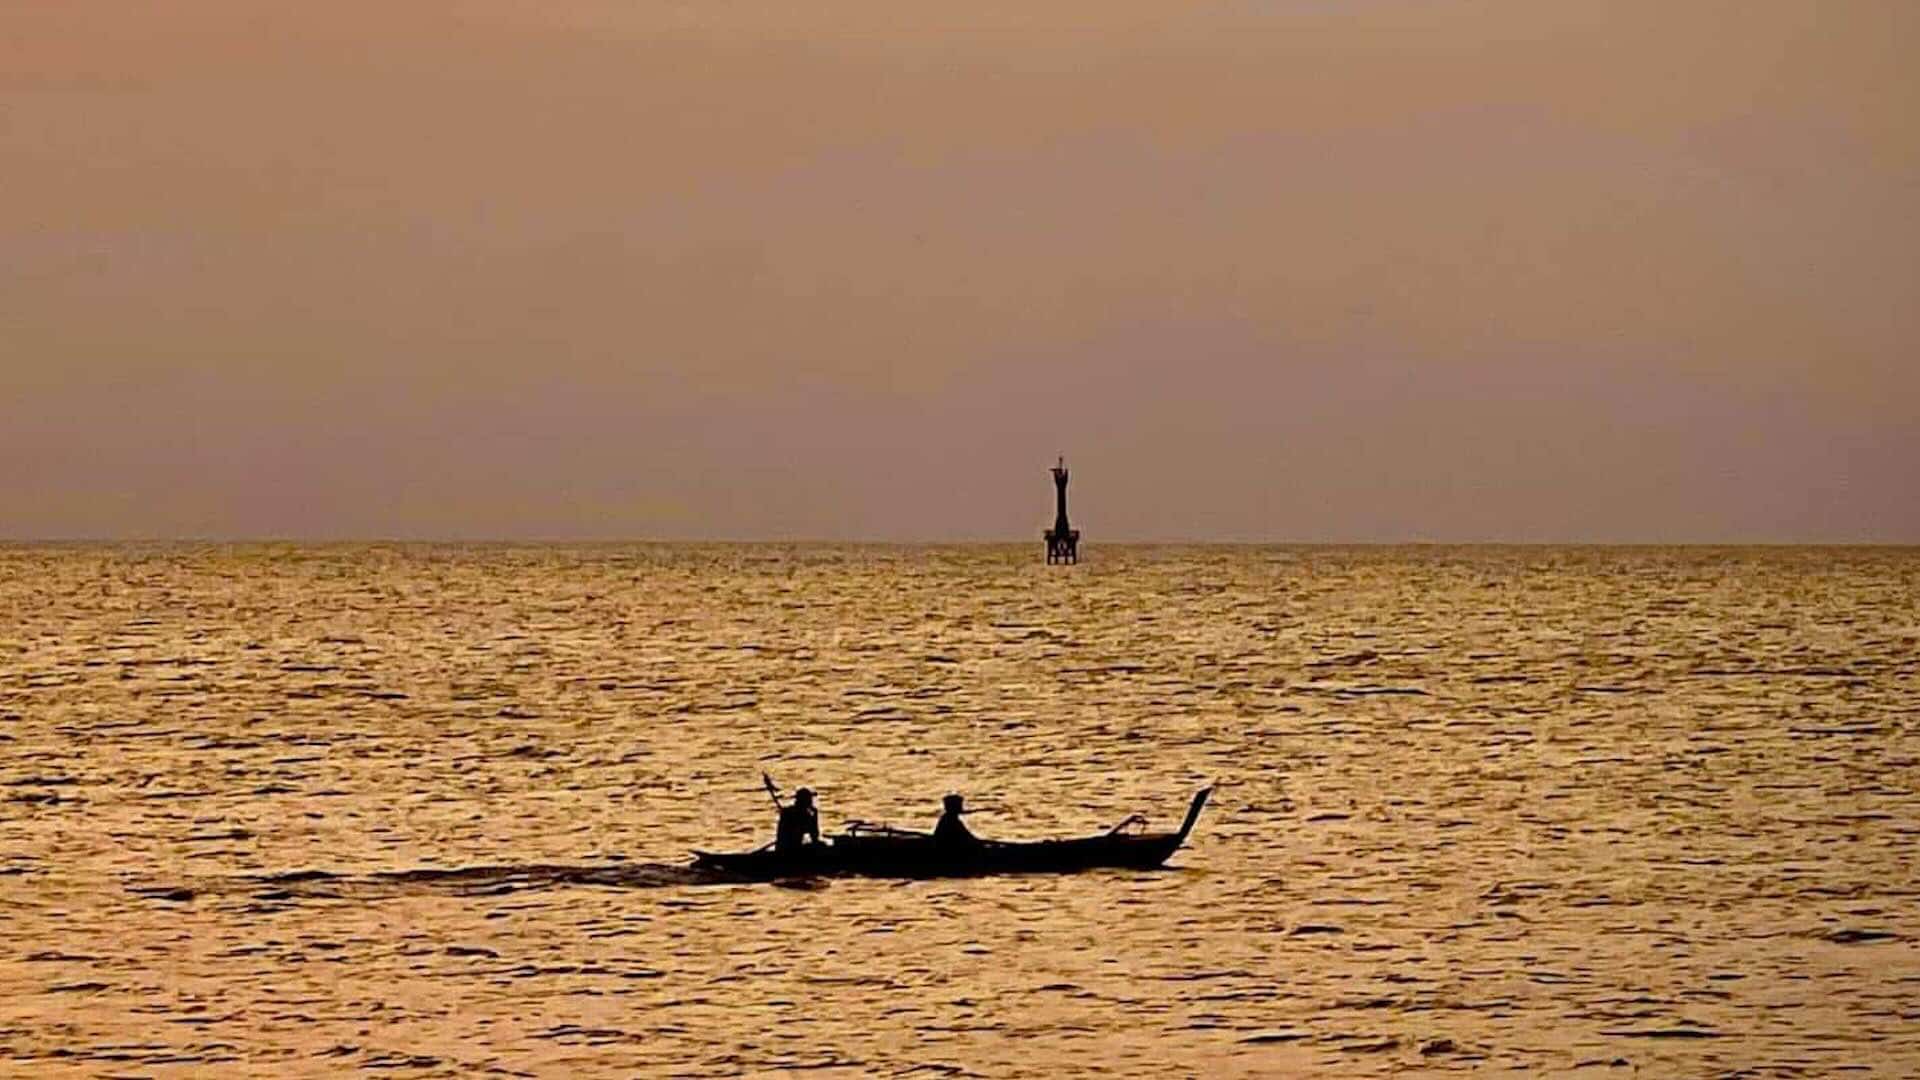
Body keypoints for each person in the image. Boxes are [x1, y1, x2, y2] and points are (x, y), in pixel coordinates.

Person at [776, 787, 821, 854]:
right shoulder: (794, 813)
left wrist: (815, 816)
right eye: (809, 799)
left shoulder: (789, 812)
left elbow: (814, 836)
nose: (811, 801)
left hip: (794, 847)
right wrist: (814, 817)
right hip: (789, 850)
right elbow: (814, 836)